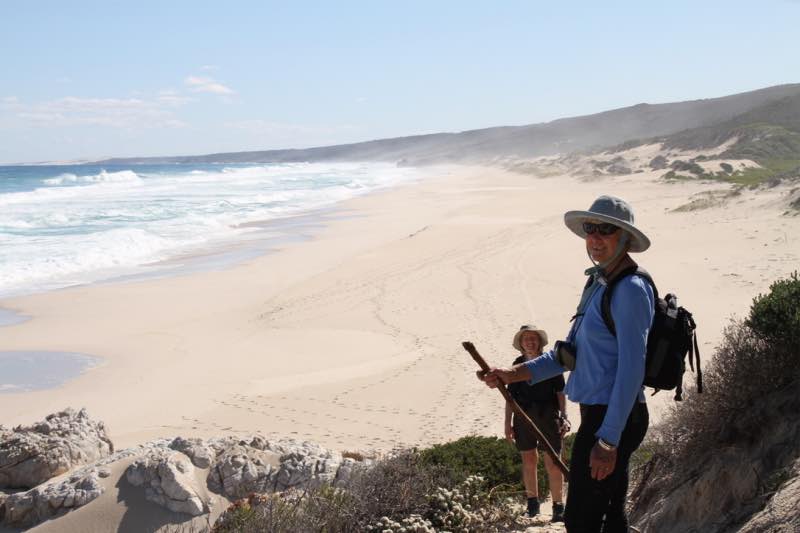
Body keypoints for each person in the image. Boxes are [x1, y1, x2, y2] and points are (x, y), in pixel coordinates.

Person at [479, 195, 654, 533]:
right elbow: (567, 353)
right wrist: (513, 373)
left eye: (606, 230)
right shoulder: (597, 283)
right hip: (603, 413)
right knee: (609, 517)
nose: (595, 238)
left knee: (581, 520)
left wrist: (607, 441)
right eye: (590, 229)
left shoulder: (630, 289)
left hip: (613, 416)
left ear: (624, 238)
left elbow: (633, 370)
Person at [505, 324, 568, 521]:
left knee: (554, 461)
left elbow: (560, 392)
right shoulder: (516, 365)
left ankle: (558, 506)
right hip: (522, 417)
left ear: (539, 342)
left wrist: (564, 417)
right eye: (526, 339)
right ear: (521, 344)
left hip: (548, 416)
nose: (530, 342)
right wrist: (507, 424)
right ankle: (532, 504)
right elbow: (509, 398)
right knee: (528, 460)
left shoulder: (550, 363)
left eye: (533, 338)